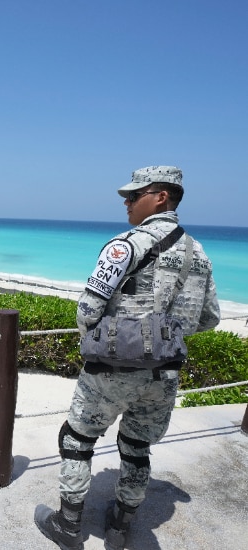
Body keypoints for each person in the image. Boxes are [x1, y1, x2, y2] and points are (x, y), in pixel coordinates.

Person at [34, 166, 220, 550]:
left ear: (161, 197)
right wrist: (165, 336)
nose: (126, 202)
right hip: (165, 375)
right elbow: (210, 319)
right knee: (136, 448)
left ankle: (68, 526)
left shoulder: (126, 245)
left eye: (134, 196)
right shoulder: (198, 253)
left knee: (76, 439)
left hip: (114, 368)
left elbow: (87, 310)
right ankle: (120, 526)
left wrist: (99, 346)